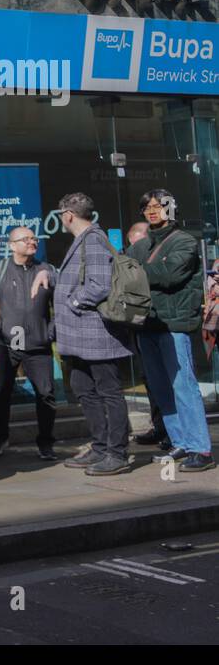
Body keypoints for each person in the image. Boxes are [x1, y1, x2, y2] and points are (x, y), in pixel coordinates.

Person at [125, 190, 214, 472]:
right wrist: (140, 271)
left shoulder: (184, 241)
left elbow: (170, 275)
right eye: (147, 207)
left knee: (182, 386)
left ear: (170, 209)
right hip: (146, 323)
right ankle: (180, 441)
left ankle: (200, 448)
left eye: (158, 206)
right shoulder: (140, 246)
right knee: (160, 387)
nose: (152, 211)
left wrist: (137, 272)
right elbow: (123, 270)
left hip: (173, 323)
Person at [53, 193, 135, 475]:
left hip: (96, 336)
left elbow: (99, 284)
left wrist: (74, 302)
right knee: (84, 390)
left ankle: (118, 453)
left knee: (109, 392)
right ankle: (100, 448)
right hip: (80, 338)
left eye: (60, 214)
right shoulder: (83, 241)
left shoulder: (94, 240)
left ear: (68, 215)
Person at [0, 227, 58, 460]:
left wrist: (51, 330)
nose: (32, 242)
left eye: (34, 238)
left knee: (46, 393)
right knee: (1, 392)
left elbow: (61, 304)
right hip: (7, 344)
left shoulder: (46, 270)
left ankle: (46, 442)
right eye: (25, 239)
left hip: (38, 344)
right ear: (12, 245)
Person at [125, 221, 171, 452]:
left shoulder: (162, 258)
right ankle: (160, 427)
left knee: (166, 379)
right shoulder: (130, 260)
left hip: (161, 325)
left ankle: (172, 431)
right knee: (150, 378)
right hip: (140, 326)